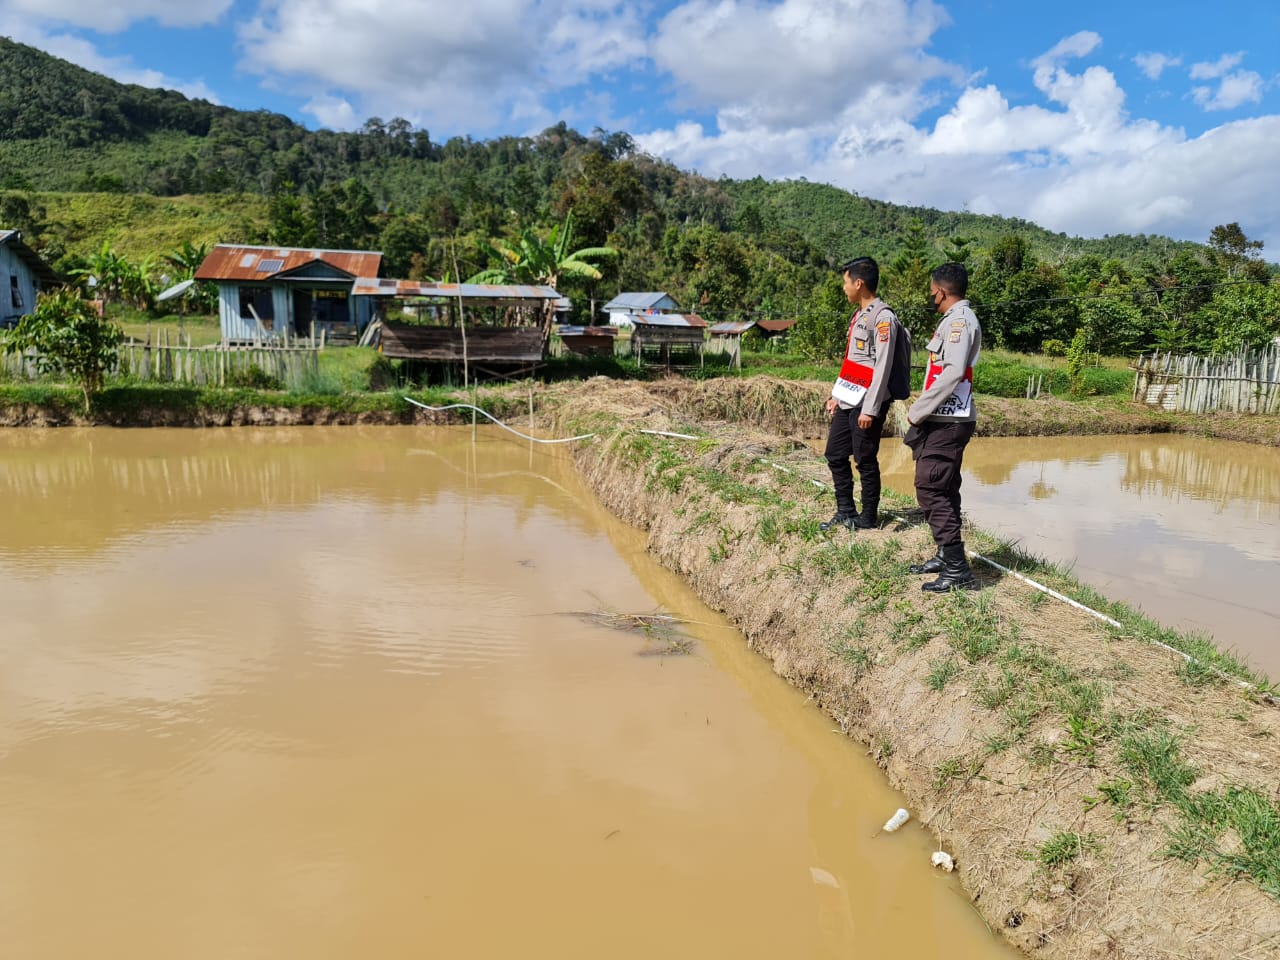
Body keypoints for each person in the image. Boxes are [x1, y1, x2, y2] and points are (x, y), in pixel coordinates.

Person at [904, 262, 982, 591]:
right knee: (945, 486)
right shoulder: (952, 319)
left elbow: (952, 372)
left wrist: (918, 409)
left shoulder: (960, 321)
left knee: (931, 487)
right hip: (945, 416)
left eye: (931, 291)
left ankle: (957, 569)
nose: (930, 296)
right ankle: (944, 554)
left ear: (940, 291)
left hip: (948, 419)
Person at [820, 257, 908, 533]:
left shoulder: (883, 318)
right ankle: (845, 510)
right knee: (835, 454)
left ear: (858, 283)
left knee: (865, 459)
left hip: (868, 402)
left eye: (845, 282)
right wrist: (836, 395)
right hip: (848, 398)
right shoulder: (859, 315)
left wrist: (870, 409)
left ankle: (868, 517)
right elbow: (853, 361)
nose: (844, 287)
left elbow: (882, 366)